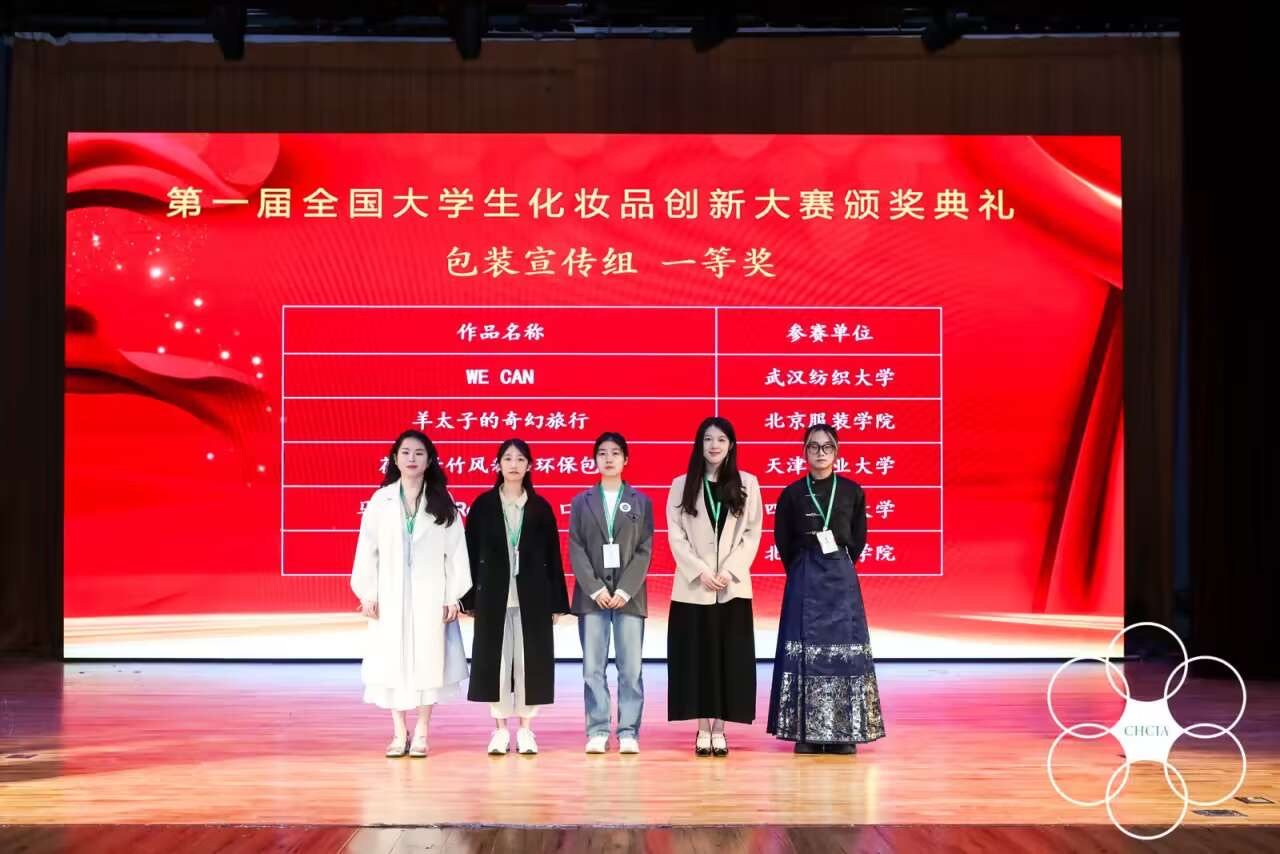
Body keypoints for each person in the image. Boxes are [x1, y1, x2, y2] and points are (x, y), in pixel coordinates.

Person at [766, 424, 886, 754]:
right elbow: (783, 541)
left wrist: (837, 563)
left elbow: (858, 539)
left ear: (836, 452)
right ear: (804, 452)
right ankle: (805, 733)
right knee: (804, 653)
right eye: (813, 446)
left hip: (840, 577)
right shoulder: (791, 493)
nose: (820, 453)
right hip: (805, 574)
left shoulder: (851, 491)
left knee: (843, 654)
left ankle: (844, 734)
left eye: (827, 447)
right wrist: (803, 566)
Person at [351, 429, 471, 758]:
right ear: (395, 458)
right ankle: (398, 732)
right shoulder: (381, 500)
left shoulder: (442, 500)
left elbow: (456, 553)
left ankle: (421, 732)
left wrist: (452, 596)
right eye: (405, 452)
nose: (412, 458)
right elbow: (367, 550)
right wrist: (368, 593)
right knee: (392, 663)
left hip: (430, 596)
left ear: (429, 460)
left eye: (419, 453)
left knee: (429, 663)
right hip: (389, 596)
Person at [461, 439, 570, 756]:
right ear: (498, 465)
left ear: (529, 466)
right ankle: (499, 730)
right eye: (507, 458)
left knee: (528, 664)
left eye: (520, 459)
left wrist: (556, 602)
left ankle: (525, 729)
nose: (513, 464)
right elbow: (470, 554)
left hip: (532, 598)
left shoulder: (540, 507)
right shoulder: (483, 506)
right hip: (492, 597)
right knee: (495, 664)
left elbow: (553, 557)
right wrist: (469, 599)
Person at [666, 416, 763, 757]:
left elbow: (752, 532)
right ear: (700, 444)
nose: (714, 445)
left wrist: (730, 570)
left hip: (732, 587)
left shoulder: (747, 483)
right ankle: (701, 727)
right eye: (708, 439)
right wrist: (700, 571)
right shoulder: (682, 484)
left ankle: (720, 728)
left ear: (731, 445)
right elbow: (676, 535)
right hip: (694, 588)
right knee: (697, 659)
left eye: (721, 439)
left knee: (728, 659)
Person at [568, 431, 654, 754]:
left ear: (625, 459)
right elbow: (576, 547)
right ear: (594, 460)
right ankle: (598, 730)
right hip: (592, 598)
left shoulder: (641, 501)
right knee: (593, 668)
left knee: (630, 669)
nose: (608, 458)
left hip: (629, 598)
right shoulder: (581, 502)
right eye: (602, 453)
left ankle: (629, 731)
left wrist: (626, 590)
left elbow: (645, 549)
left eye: (615, 453)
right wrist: (595, 588)